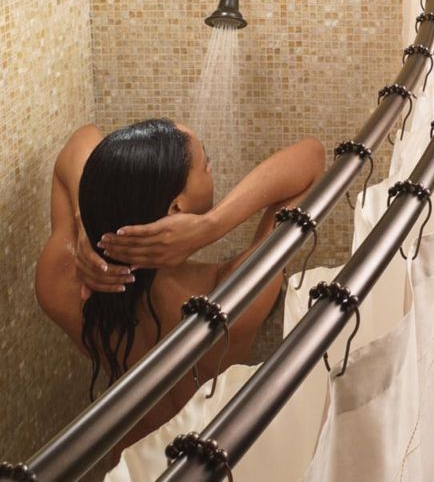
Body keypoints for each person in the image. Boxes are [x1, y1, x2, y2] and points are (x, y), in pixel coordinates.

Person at [35, 119, 325, 458]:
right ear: (176, 208)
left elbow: (80, 140)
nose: (210, 165)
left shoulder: (63, 285)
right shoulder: (229, 298)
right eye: (205, 164)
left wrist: (88, 222)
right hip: (212, 460)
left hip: (133, 468)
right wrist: (213, 225)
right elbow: (312, 159)